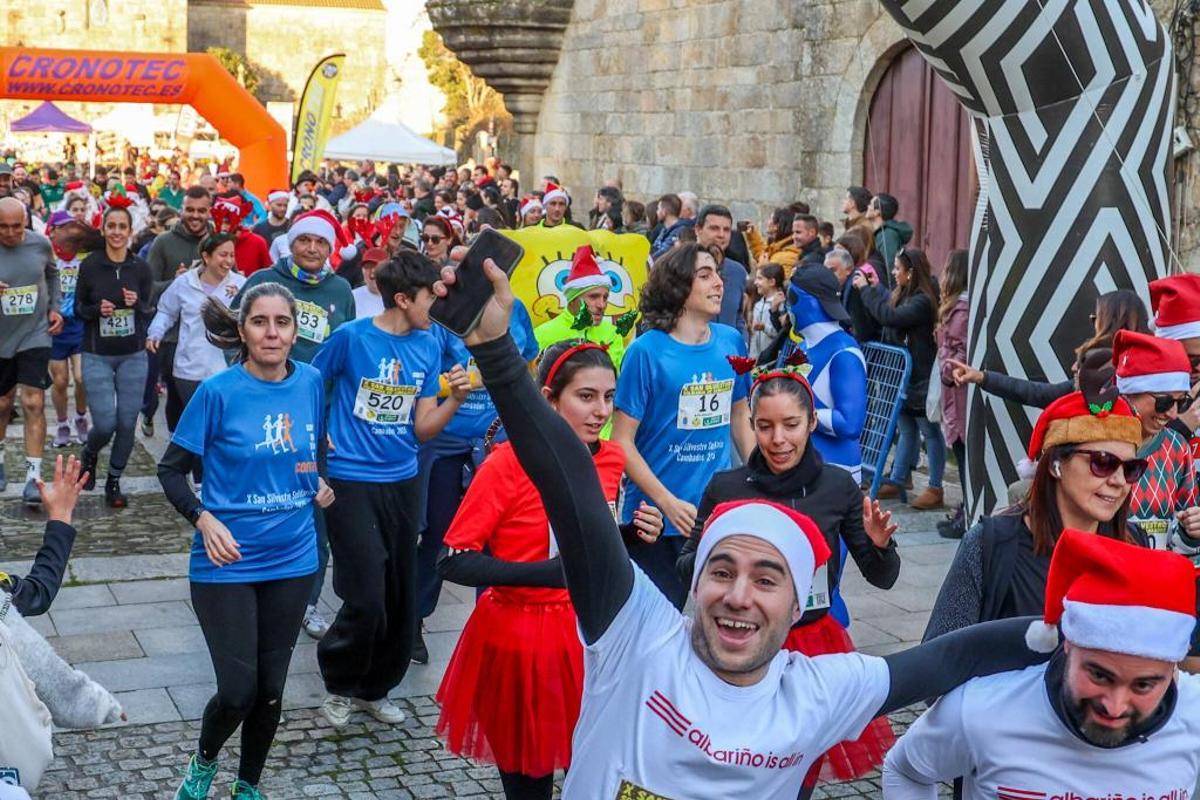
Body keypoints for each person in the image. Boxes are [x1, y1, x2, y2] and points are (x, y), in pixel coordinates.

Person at [435, 254, 1056, 799]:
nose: (737, 595)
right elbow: (568, 482)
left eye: (767, 579)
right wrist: (495, 350)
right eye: (721, 570)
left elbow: (952, 656)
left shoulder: (813, 688)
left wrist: (1080, 630)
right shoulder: (641, 640)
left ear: (797, 603)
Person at [435, 340, 663, 800]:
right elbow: (453, 560)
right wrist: (546, 574)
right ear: (548, 399)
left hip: (594, 642)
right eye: (585, 396)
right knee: (529, 787)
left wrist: (632, 537)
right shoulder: (508, 463)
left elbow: (590, 545)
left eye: (609, 397)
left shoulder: (612, 459)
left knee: (595, 777)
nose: (601, 411)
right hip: (521, 644)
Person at [676, 364, 900, 796]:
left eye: (791, 425)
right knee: (731, 766)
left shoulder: (838, 487)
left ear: (812, 421)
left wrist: (880, 546)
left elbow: (882, 578)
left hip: (810, 646)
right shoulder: (727, 486)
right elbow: (686, 567)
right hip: (737, 642)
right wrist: (712, 555)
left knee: (795, 775)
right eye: (765, 426)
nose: (778, 439)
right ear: (752, 425)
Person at [158, 282, 333, 800]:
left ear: (296, 331)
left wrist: (318, 483)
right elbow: (171, 471)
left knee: (272, 693)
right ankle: (203, 762)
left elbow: (310, 453)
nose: (272, 333)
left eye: (282, 322)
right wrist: (203, 518)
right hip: (225, 562)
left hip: (294, 558)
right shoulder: (218, 392)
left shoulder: (312, 382)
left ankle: (247, 787)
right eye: (261, 322)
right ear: (242, 330)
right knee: (238, 692)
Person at [884, 531, 1200, 799]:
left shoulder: (1193, 712)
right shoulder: (981, 710)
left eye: (1144, 685)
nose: (1115, 706)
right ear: (1068, 643)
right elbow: (906, 770)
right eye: (1099, 675)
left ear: (1173, 670)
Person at [313, 251, 471, 731]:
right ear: (403, 299)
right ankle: (340, 685)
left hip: (403, 481)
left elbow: (423, 427)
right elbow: (309, 385)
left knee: (400, 593)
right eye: (430, 298)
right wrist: (318, 435)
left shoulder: (426, 346)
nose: (436, 309)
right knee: (366, 592)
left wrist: (456, 399)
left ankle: (376, 688)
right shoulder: (350, 338)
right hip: (350, 480)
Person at [922, 362, 1148, 642]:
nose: (1118, 480)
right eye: (1102, 463)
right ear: (1055, 465)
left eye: (1131, 468)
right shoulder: (990, 545)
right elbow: (941, 654)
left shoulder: (1134, 544)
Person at [234, 209, 356, 637]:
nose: (312, 249)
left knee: (315, 507)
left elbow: (345, 359)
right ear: (292, 242)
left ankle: (307, 599)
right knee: (259, 498)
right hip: (261, 414)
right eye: (305, 240)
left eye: (321, 243)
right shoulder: (265, 281)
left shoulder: (340, 289)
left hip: (315, 419)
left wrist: (335, 421)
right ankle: (249, 579)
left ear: (330, 249)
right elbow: (234, 334)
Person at [613, 242, 754, 608]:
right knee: (653, 627)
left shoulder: (731, 341)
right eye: (704, 275)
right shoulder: (645, 352)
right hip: (655, 518)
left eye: (718, 274)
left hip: (715, 513)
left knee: (718, 619)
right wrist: (666, 501)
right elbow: (621, 441)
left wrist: (763, 477)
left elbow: (740, 415)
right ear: (677, 286)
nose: (718, 283)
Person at [947, 289, 1150, 410]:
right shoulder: (1150, 366)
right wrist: (982, 377)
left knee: (1022, 485)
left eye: (1096, 319)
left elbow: (1043, 395)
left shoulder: (1099, 366)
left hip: (1101, 465)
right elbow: (1043, 394)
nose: (1093, 325)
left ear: (1109, 323)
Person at [73, 204, 152, 509]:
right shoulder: (90, 265)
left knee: (127, 421)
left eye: (122, 226)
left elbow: (150, 310)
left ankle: (114, 480)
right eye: (112, 226)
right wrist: (97, 310)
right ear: (103, 230)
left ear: (130, 231)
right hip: (97, 354)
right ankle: (90, 455)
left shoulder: (140, 268)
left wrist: (138, 305)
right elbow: (78, 309)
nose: (117, 232)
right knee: (105, 423)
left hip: (133, 354)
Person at [855, 247, 945, 508]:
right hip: (903, 378)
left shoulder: (922, 301)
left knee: (929, 431)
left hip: (919, 376)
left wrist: (866, 290)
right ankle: (896, 479)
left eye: (897, 269)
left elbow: (889, 316)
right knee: (906, 428)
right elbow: (889, 303)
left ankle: (936, 486)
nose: (894, 273)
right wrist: (875, 288)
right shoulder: (905, 294)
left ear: (911, 272)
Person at [146, 230, 246, 452]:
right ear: (206, 256)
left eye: (231, 255)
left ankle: (213, 475)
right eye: (222, 255)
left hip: (227, 369)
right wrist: (155, 333)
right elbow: (165, 311)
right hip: (189, 369)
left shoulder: (240, 285)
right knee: (198, 424)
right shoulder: (184, 283)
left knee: (221, 426)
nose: (228, 261)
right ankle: (197, 478)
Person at [1107, 330, 1198, 548]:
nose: (1173, 414)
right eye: (1164, 402)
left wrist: (1190, 534)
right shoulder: (1094, 444)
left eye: (1182, 402)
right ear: (1128, 393)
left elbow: (1179, 536)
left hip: (1156, 578)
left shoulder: (1177, 447)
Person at [0, 197, 62, 505]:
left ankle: (33, 477)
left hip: (35, 333)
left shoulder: (40, 244)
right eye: (4, 227)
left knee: (34, 401)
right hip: (0, 337)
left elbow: (53, 273)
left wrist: (55, 308)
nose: (11, 233)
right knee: (2, 404)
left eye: (17, 226)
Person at [782, 265, 869, 479]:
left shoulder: (844, 353)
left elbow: (850, 424)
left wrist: (796, 416)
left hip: (834, 473)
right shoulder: (803, 346)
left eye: (790, 298)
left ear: (802, 301)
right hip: (801, 466)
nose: (787, 307)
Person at [146, 184, 211, 436]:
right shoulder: (163, 243)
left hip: (208, 334)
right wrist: (176, 282)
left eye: (201, 211)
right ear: (182, 210)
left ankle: (198, 454)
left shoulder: (217, 241)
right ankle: (179, 447)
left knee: (206, 396)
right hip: (174, 336)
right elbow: (148, 289)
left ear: (209, 211)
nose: (195, 216)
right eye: (190, 210)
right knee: (177, 396)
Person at [533, 245, 628, 367]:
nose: (602, 305)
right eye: (593, 297)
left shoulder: (613, 334)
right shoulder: (542, 335)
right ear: (572, 300)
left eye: (605, 297)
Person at [45, 211, 93, 450]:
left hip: (79, 323)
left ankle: (81, 418)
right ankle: (62, 425)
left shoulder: (83, 253)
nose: (68, 232)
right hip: (55, 325)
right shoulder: (45, 254)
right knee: (61, 381)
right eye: (63, 227)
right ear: (52, 230)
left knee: (82, 377)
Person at [935, 250, 969, 539]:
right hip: (953, 393)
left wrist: (947, 366)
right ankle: (964, 508)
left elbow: (961, 352)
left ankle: (967, 512)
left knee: (964, 452)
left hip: (960, 393)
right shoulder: (955, 308)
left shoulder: (963, 312)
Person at [694, 205, 749, 335]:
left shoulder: (738, 271)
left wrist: (743, 344)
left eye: (726, 230)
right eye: (714, 228)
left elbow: (739, 316)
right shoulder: (679, 266)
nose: (721, 235)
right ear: (698, 229)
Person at [867, 193, 912, 283]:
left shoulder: (887, 236)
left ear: (877, 212)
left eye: (870, 204)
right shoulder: (879, 234)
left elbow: (890, 268)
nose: (867, 207)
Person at [748, 263, 784, 359]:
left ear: (772, 282)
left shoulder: (781, 304)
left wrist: (764, 327)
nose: (755, 282)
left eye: (760, 278)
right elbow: (754, 336)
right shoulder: (758, 304)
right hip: (757, 360)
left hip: (772, 360)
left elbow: (780, 333)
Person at [650, 192, 694, 258]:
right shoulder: (665, 229)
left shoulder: (680, 231)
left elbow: (660, 255)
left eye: (658, 209)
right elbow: (654, 248)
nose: (657, 212)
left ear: (664, 212)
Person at [350, 247, 389, 320]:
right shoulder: (351, 297)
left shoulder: (396, 300)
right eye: (368, 267)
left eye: (377, 267)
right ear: (362, 271)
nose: (372, 272)